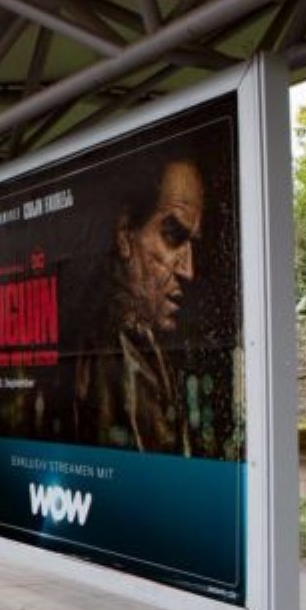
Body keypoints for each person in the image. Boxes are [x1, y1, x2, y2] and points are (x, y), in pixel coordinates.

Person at [71, 154, 205, 455]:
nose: (188, 270)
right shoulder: (121, 346)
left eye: (192, 244)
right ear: (124, 235)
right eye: (172, 235)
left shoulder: (133, 340)